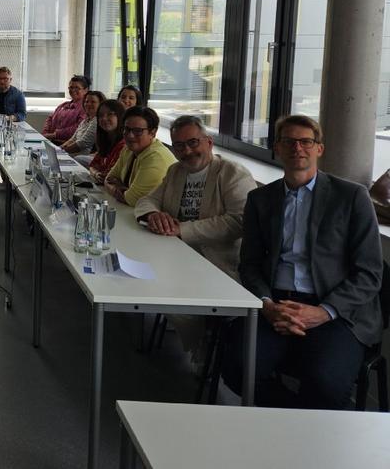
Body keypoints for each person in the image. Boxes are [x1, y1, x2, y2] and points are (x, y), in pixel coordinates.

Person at [222, 115, 383, 409]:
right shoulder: (260, 199)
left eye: (306, 141)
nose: (298, 148)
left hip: (336, 311)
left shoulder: (351, 197)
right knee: (237, 370)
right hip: (277, 305)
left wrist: (324, 311)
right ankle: (295, 416)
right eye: (289, 141)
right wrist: (267, 304)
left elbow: (369, 272)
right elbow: (250, 264)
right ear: (277, 149)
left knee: (325, 385)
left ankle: (305, 425)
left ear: (319, 148)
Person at [134, 115, 257, 361]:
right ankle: (199, 339)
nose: (187, 151)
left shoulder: (232, 173)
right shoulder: (176, 171)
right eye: (179, 146)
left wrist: (182, 230)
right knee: (138, 280)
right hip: (176, 257)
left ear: (209, 142)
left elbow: (240, 221)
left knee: (166, 294)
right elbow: (147, 200)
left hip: (218, 263)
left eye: (193, 142)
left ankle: (204, 345)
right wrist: (153, 214)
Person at [103, 106, 175, 206]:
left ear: (153, 133)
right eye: (127, 129)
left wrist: (117, 188)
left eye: (138, 131)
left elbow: (131, 199)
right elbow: (109, 178)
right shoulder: (128, 150)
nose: (130, 135)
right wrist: (120, 189)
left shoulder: (156, 158)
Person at [42, 75, 90, 143]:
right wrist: (45, 133)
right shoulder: (63, 105)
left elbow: (78, 128)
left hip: (69, 145)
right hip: (52, 141)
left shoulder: (85, 108)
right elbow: (50, 119)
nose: (73, 90)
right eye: (71, 87)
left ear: (85, 90)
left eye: (77, 88)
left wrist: (54, 135)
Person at [88, 99, 126, 182]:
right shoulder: (105, 140)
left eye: (110, 114)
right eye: (101, 115)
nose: (104, 118)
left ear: (120, 116)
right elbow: (92, 166)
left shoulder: (124, 144)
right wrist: (96, 173)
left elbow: (110, 175)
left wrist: (98, 173)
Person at [61, 90, 105, 156]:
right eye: (86, 101)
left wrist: (61, 152)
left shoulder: (97, 120)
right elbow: (73, 139)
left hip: (83, 156)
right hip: (73, 153)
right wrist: (59, 148)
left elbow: (83, 143)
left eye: (93, 102)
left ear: (100, 104)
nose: (88, 104)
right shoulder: (85, 120)